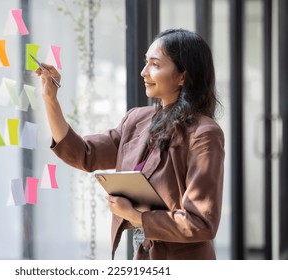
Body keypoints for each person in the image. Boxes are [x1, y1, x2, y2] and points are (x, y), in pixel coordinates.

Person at [34, 28, 225, 260]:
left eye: (155, 64)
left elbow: (201, 222)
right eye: (146, 63)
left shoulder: (205, 134)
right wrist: (50, 98)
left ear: (182, 76)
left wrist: (137, 218)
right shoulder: (137, 119)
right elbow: (84, 154)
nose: (143, 72)